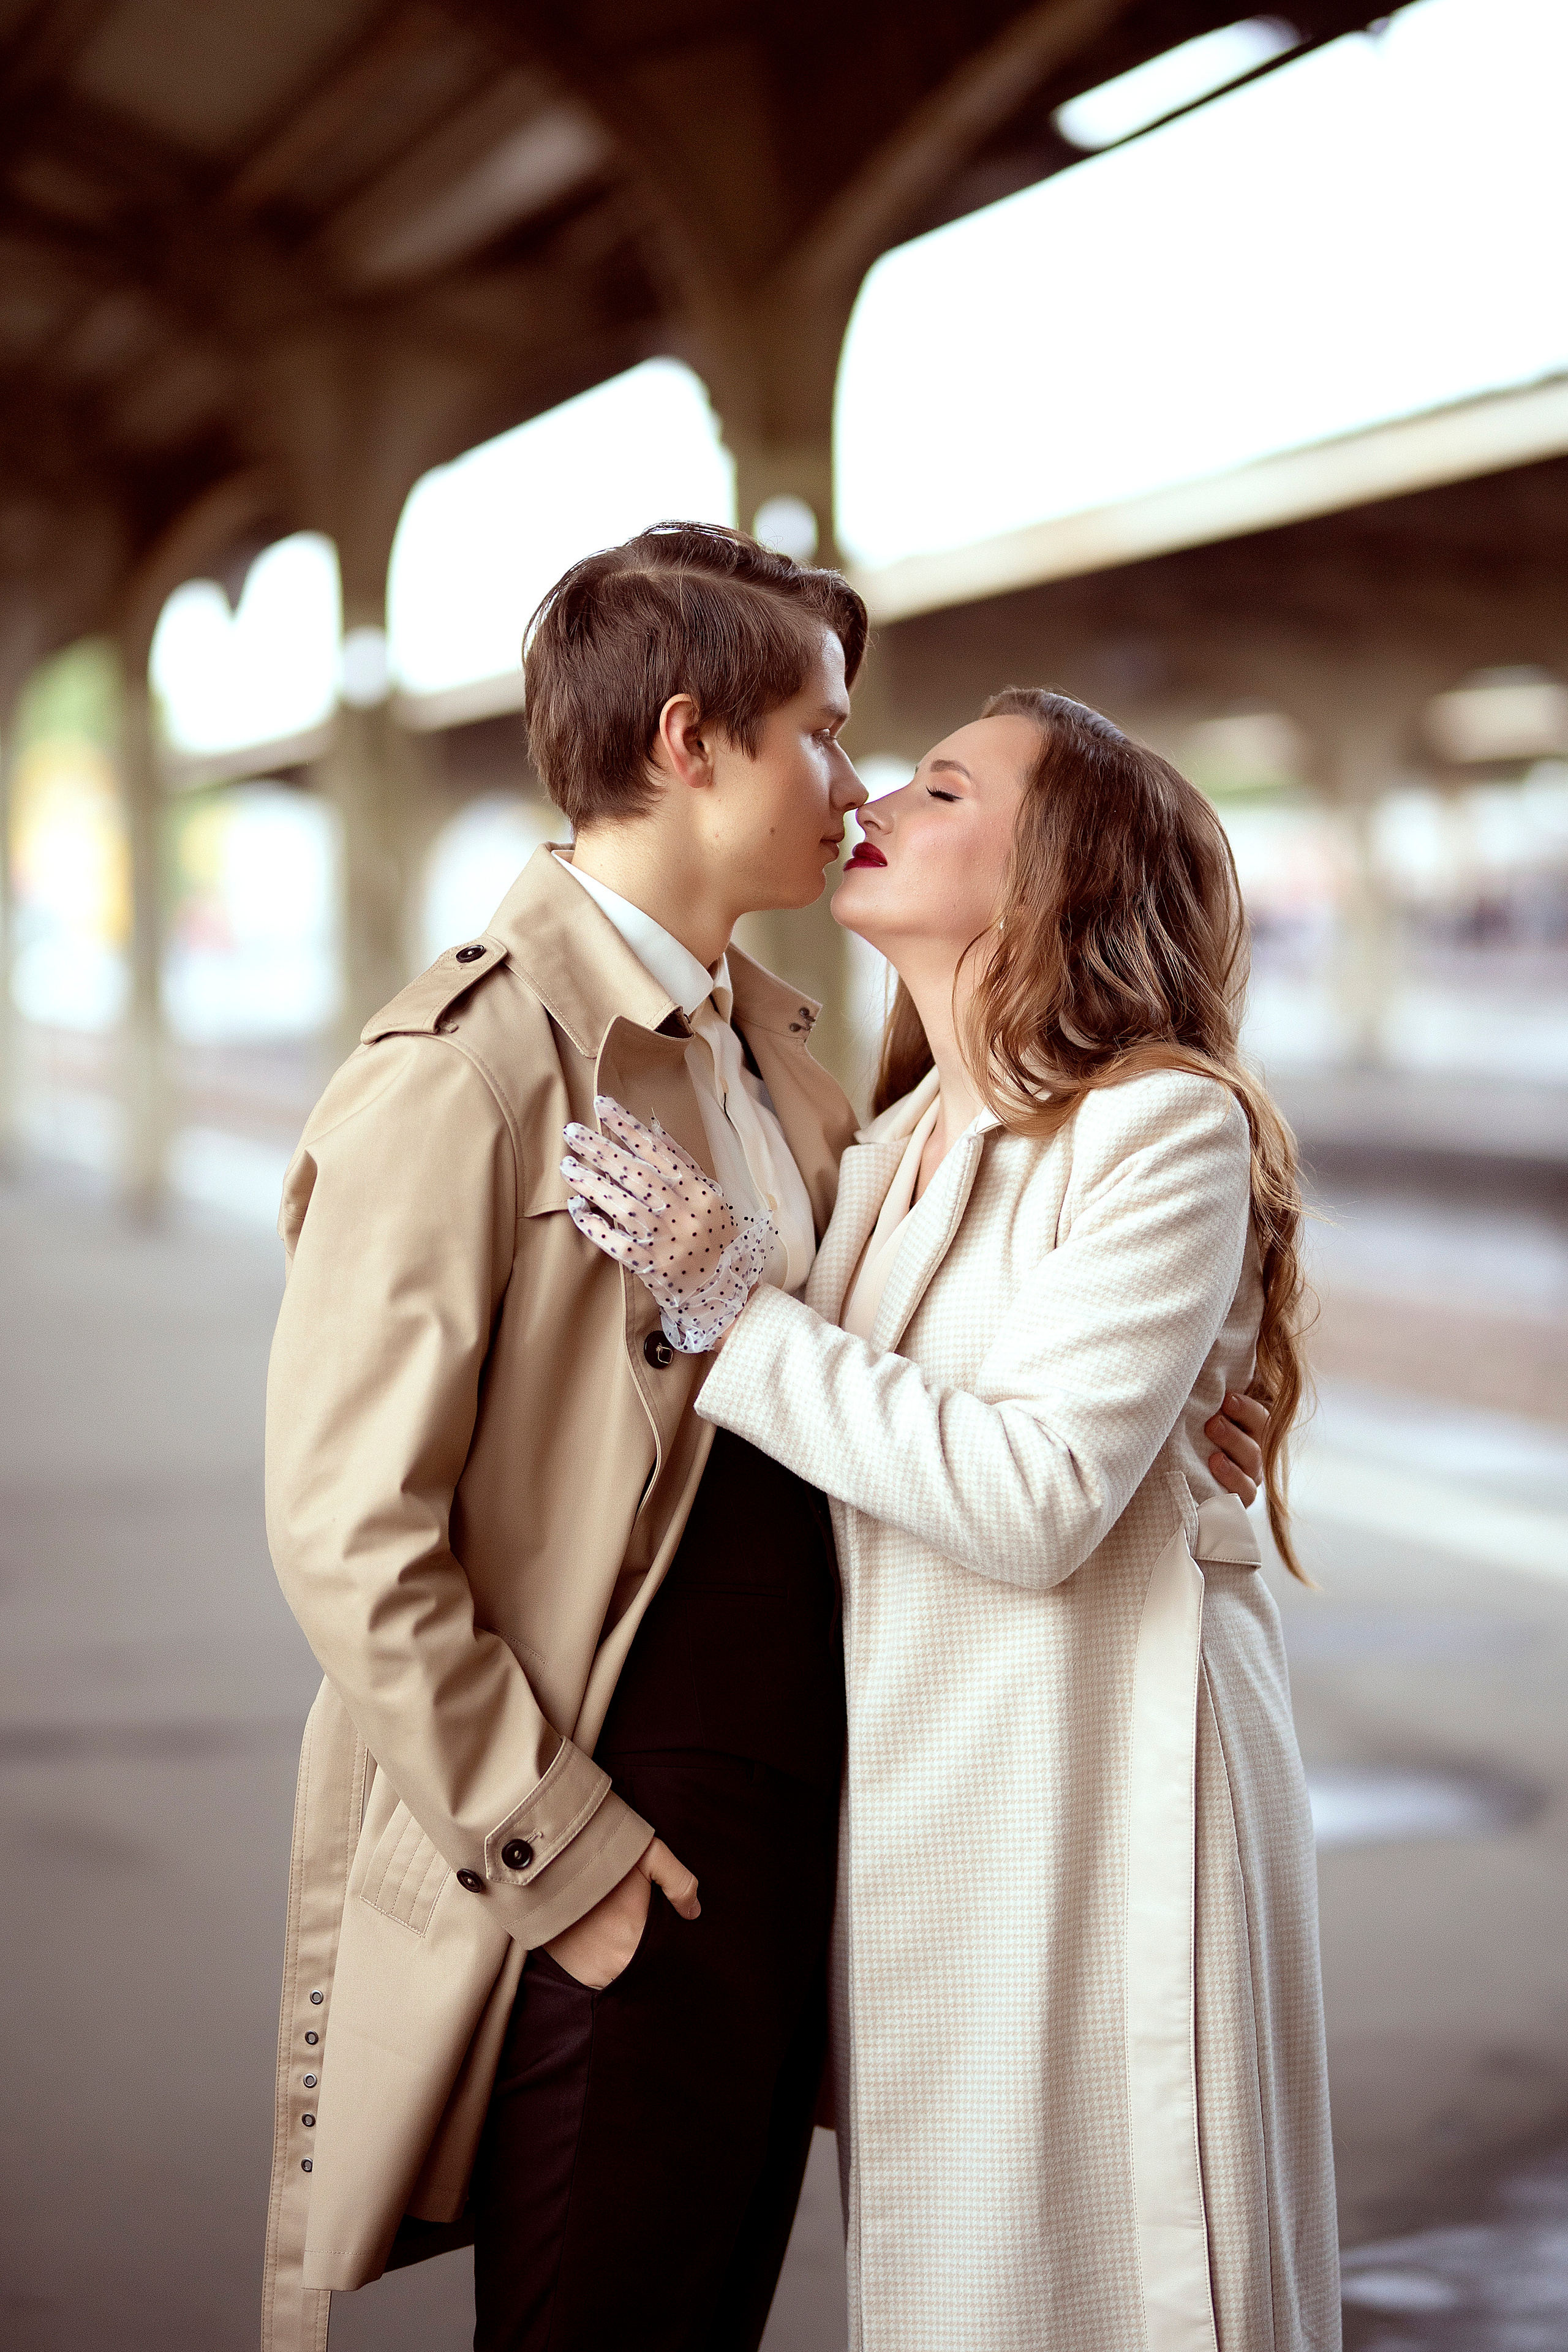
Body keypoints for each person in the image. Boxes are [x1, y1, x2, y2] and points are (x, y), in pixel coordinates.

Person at [258, 524, 1268, 2352]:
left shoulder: (798, 1083)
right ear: (686, 740)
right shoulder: (475, 1066)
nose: (857, 782)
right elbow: (351, 1526)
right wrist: (558, 1858)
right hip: (621, 1854)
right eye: (826, 731)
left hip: (813, 1878)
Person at [564, 688, 1338, 2351]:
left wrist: (728, 1299)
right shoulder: (891, 1143)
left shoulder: (1162, 1126)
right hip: (932, 1817)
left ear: (1054, 868)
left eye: (939, 786)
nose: (876, 804)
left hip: (1101, 1796)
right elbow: (839, 1453)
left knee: (1124, 2279)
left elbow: (1041, 1496)